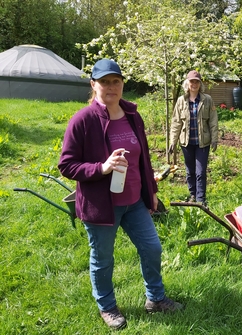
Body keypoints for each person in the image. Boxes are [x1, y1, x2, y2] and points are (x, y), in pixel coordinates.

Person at [58, 58, 183, 330]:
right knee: (103, 258)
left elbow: (144, 159)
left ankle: (156, 299)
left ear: (122, 84)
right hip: (102, 205)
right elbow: (66, 165)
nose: (111, 87)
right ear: (94, 85)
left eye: (116, 81)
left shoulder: (132, 116)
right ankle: (107, 306)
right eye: (104, 82)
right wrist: (101, 168)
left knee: (152, 248)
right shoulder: (83, 120)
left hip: (134, 201)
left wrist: (151, 192)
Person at [169, 70, 218, 206]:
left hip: (203, 142)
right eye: (192, 81)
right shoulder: (181, 101)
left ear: (200, 84)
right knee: (190, 171)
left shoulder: (207, 100)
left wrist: (214, 139)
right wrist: (172, 141)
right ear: (187, 83)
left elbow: (213, 121)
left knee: (200, 172)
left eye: (197, 81)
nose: (194, 84)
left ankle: (201, 199)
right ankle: (193, 194)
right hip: (187, 143)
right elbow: (176, 122)